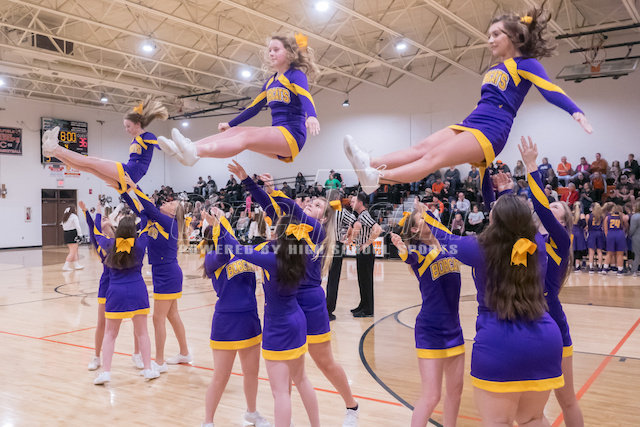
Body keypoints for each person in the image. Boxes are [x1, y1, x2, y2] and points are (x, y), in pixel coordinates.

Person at [343, 3, 591, 193]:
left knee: (433, 159)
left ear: (514, 37)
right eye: (489, 35)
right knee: (421, 148)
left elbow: (550, 89)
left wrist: (575, 111)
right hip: (472, 122)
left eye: (496, 34)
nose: (490, 40)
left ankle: (377, 179)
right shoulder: (495, 68)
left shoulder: (526, 64)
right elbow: (486, 101)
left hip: (493, 129)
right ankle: (371, 162)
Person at [228, 161, 360, 425]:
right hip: (286, 303)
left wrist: (273, 189)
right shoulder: (290, 226)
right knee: (285, 372)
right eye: (310, 201)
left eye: (318, 205)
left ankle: (352, 406)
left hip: (310, 302)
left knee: (324, 362)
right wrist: (246, 180)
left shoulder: (317, 231)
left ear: (324, 217)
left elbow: (289, 207)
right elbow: (270, 207)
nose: (311, 204)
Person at [420, 193, 563, 425]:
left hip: (499, 344)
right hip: (545, 340)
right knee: (532, 419)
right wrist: (506, 194)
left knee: (499, 421)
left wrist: (426, 214)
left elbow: (445, 239)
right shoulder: (537, 245)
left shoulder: (479, 248)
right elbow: (514, 217)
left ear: (494, 220)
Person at [205, 209, 320, 427]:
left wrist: (221, 223)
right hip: (294, 319)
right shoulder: (297, 251)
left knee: (280, 391)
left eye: (275, 230)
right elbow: (234, 251)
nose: (271, 233)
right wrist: (220, 227)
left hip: (277, 325)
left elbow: (238, 249)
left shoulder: (270, 258)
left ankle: (259, 414)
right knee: (301, 379)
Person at [159, 34, 320, 165]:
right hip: (278, 136)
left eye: (276, 49)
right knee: (235, 132)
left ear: (290, 52)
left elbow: (305, 95)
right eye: (270, 50)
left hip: (292, 134)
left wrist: (312, 116)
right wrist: (231, 124)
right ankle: (186, 148)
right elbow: (253, 108)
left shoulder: (295, 74)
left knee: (246, 137)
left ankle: (194, 152)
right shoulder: (270, 82)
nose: (271, 53)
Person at [519, 137, 584, 425]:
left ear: (565, 220)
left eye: (557, 205)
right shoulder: (530, 238)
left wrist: (532, 166)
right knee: (532, 411)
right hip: (526, 321)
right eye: (551, 204)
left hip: (553, 321)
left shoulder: (561, 239)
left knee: (566, 399)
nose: (551, 206)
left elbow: (540, 206)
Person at [390, 214, 464, 427]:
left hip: (454, 328)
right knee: (432, 396)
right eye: (422, 219)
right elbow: (408, 256)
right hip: (431, 330)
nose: (429, 219)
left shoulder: (449, 244)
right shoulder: (419, 251)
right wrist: (401, 247)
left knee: (455, 392)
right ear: (414, 230)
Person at [199, 224, 270, 427]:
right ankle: (208, 421)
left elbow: (262, 250)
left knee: (252, 372)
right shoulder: (212, 258)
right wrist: (220, 227)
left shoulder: (240, 251)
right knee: (221, 376)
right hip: (226, 323)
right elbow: (223, 253)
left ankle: (252, 412)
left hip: (250, 320)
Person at [121, 178, 192, 372]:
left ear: (172, 212)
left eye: (171, 203)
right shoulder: (156, 219)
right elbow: (139, 209)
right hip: (163, 271)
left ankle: (159, 362)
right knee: (172, 315)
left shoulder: (170, 223)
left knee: (157, 318)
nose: (167, 202)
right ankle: (185, 352)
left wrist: (135, 186)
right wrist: (124, 191)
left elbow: (148, 207)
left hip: (167, 273)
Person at [42, 97, 167, 192]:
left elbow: (161, 145)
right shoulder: (135, 139)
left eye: (128, 126)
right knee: (89, 168)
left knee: (91, 161)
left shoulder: (147, 136)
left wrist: (173, 148)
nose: (126, 130)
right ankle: (54, 152)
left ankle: (55, 147)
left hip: (130, 172)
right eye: (125, 127)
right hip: (128, 179)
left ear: (138, 124)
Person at [91, 212, 159, 384]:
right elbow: (146, 224)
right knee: (142, 333)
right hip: (138, 291)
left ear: (118, 230)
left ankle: (106, 372)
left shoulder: (109, 244)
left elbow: (96, 231)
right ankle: (147, 369)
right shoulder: (140, 244)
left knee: (110, 334)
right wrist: (142, 209)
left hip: (116, 293)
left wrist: (98, 213)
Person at [346, 193, 383, 317]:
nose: (351, 203)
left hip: (366, 250)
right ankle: (363, 304)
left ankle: (368, 310)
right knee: (362, 280)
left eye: (353, 201)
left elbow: (377, 229)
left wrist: (367, 243)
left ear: (360, 203)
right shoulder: (360, 216)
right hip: (361, 250)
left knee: (366, 280)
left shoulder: (364, 215)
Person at [603, 205, 628, 276]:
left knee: (609, 253)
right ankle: (620, 270)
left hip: (610, 234)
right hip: (620, 234)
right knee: (620, 254)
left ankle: (605, 268)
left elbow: (605, 230)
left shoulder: (607, 217)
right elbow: (626, 226)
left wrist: (608, 237)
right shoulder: (622, 217)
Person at [61, 205, 83, 271]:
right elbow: (77, 226)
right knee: (73, 252)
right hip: (72, 234)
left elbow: (63, 226)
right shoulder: (74, 216)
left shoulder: (65, 217)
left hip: (66, 234)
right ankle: (66, 266)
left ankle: (76, 265)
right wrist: (80, 235)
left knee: (74, 250)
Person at [586, 203, 606, 274]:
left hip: (592, 233)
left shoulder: (588, 216)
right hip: (600, 233)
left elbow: (587, 226)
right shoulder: (602, 216)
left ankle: (591, 267)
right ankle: (600, 267)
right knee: (599, 251)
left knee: (591, 251)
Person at [630, 201, 640, 276]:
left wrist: (629, 235)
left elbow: (632, 229)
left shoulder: (635, 216)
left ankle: (634, 271)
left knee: (637, 254)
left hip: (637, 237)